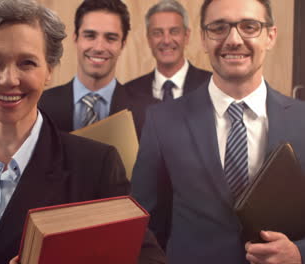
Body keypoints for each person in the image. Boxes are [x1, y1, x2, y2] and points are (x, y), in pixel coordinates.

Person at [0, 1, 164, 264]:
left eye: (26, 63)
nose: (9, 79)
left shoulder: (95, 166)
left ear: (49, 69)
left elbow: (149, 260)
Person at [131, 0, 305, 263]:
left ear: (270, 36)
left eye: (249, 26)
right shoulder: (162, 121)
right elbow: (144, 229)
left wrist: (299, 253)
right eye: (219, 27)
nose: (233, 39)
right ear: (203, 38)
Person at [38, 0, 155, 137]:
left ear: (123, 44)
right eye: (90, 36)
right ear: (76, 38)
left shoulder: (150, 112)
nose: (99, 47)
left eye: (110, 38)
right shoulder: (40, 106)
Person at [125, 0, 211, 139]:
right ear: (148, 39)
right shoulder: (128, 92)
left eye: (174, 31)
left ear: (186, 36)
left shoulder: (212, 85)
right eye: (157, 33)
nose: (166, 40)